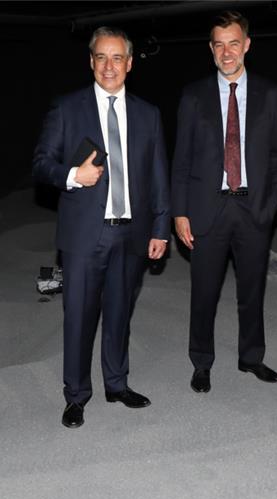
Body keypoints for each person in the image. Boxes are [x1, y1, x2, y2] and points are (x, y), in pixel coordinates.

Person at [33, 27, 170, 428]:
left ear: (129, 64)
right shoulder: (67, 107)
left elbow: (158, 174)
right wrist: (74, 174)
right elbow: (41, 163)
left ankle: (117, 383)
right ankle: (76, 395)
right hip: (83, 236)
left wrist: (160, 227)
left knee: (119, 313)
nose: (109, 66)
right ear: (91, 61)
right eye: (101, 58)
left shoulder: (148, 113)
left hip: (132, 233)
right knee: (78, 316)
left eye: (117, 58)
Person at [171, 10, 277, 394]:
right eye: (219, 45)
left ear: (247, 45)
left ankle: (251, 358)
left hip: (253, 210)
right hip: (207, 210)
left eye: (233, 43)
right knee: (204, 292)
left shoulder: (270, 94)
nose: (227, 52)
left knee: (252, 291)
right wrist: (180, 212)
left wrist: (270, 206)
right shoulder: (193, 96)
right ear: (211, 49)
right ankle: (201, 363)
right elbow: (181, 160)